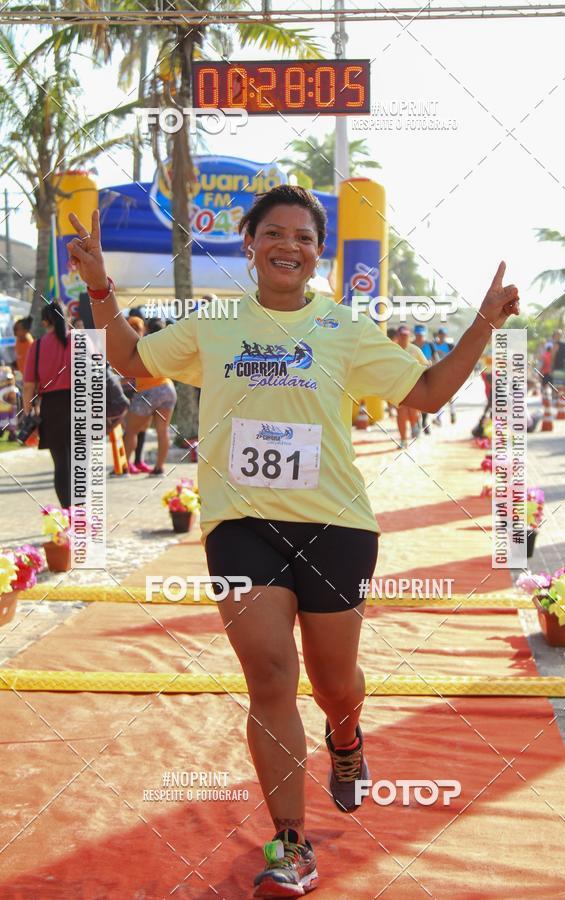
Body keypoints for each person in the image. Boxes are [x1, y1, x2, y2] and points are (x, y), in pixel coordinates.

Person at [66, 187, 519, 899]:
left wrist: (483, 325)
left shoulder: (344, 326)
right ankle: (292, 846)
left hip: (337, 525)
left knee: (336, 683)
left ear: (318, 252)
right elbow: (133, 360)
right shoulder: (213, 324)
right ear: (248, 246)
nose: (289, 245)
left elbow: (427, 394)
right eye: (273, 233)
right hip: (241, 526)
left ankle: (346, 736)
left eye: (304, 236)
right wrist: (98, 285)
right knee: (272, 679)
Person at [22, 300, 72, 507]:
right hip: (80, 403)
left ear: (45, 322)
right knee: (81, 462)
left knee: (61, 463)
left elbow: (28, 386)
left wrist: (28, 414)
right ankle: (82, 512)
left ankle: (68, 512)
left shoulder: (38, 346)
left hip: (52, 408)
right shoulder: (81, 341)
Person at [121, 316, 177, 476]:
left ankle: (124, 468)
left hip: (147, 391)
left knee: (131, 431)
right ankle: (159, 468)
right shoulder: (167, 346)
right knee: (163, 430)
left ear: (146, 328)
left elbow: (131, 371)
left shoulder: (142, 344)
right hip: (167, 388)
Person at [122, 315, 152, 474]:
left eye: (138, 329)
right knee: (130, 429)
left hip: (142, 391)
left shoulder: (145, 345)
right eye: (133, 329)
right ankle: (125, 463)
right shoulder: (124, 347)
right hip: (128, 393)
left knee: (142, 429)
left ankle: (137, 461)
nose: (136, 332)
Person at [393, 325, 428, 447]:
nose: (404, 338)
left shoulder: (415, 350)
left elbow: (425, 366)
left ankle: (414, 423)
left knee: (412, 412)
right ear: (397, 336)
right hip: (398, 387)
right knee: (401, 412)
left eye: (406, 335)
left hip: (414, 387)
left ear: (409, 336)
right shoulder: (392, 349)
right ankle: (403, 440)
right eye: (402, 335)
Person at [412, 324, 437, 433]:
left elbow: (436, 359)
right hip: (413, 376)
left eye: (421, 335)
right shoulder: (410, 345)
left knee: (426, 400)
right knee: (415, 400)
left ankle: (424, 422)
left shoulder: (430, 345)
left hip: (428, 375)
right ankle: (416, 422)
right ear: (415, 334)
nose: (419, 337)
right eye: (417, 335)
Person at [434, 326, 457, 424]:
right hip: (437, 374)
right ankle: (439, 417)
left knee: (449, 396)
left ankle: (452, 412)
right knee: (439, 396)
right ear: (438, 335)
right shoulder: (433, 345)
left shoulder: (450, 346)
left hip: (448, 373)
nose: (442, 336)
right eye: (441, 334)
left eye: (444, 335)